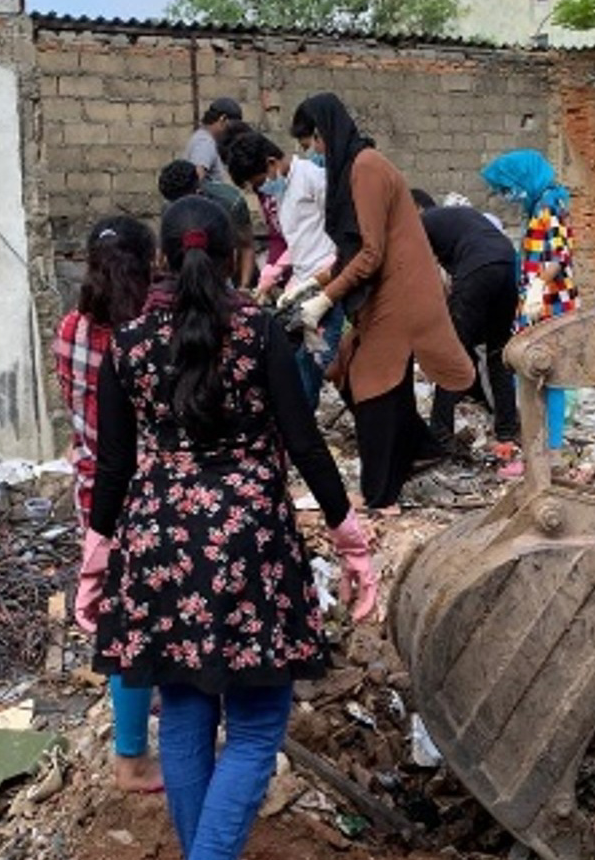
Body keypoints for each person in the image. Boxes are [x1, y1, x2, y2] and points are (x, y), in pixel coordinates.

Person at [82, 196, 376, 860]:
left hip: (157, 541)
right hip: (248, 542)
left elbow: (113, 465)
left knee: (183, 713)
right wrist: (350, 539)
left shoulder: (126, 344)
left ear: (163, 258)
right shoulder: (259, 330)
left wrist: (96, 558)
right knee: (254, 722)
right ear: (235, 257)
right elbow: (304, 442)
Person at [284, 93, 474, 510]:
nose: (315, 153)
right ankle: (420, 449)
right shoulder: (357, 167)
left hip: (401, 293)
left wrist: (324, 301)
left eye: (313, 142)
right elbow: (352, 252)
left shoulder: (365, 168)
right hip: (389, 290)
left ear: (325, 131)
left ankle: (378, 490)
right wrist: (309, 287)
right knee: (354, 373)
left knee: (369, 383)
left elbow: (370, 254)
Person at [52, 216, 162, 794]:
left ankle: (139, 731)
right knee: (142, 623)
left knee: (123, 615)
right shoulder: (147, 334)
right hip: (148, 496)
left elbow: (79, 410)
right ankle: (132, 757)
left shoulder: (69, 327)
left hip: (94, 496)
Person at [226, 131, 341, 410]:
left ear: (271, 162)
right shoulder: (281, 195)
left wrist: (325, 276)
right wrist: (273, 277)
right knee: (295, 360)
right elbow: (297, 241)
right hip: (305, 287)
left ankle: (302, 428)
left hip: (330, 287)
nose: (261, 189)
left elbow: (342, 232)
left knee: (313, 362)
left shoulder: (313, 179)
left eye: (259, 182)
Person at [481, 150, 579, 462]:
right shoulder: (540, 204)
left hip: (550, 306)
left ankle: (550, 450)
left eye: (507, 188)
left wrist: (537, 287)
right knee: (534, 376)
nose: (506, 195)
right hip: (540, 304)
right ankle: (539, 445)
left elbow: (557, 256)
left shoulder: (549, 206)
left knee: (547, 375)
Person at [411, 189, 520, 463]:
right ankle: (508, 431)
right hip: (507, 262)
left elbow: (418, 277)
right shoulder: (455, 220)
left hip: (479, 268)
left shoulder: (420, 225)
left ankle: (440, 436)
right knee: (498, 353)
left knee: (452, 353)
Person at [158, 160, 255, 288]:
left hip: (222, 280)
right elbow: (163, 253)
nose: (178, 208)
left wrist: (243, 287)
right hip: (181, 279)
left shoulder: (231, 203)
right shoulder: (169, 207)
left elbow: (246, 246)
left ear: (197, 191)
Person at [218, 121, 289, 290]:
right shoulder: (263, 187)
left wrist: (276, 269)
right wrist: (271, 270)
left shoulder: (281, 182)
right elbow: (275, 232)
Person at [184, 97, 243, 182]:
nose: (233, 132)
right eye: (233, 126)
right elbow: (197, 176)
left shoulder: (202, 138)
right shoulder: (205, 143)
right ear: (223, 119)